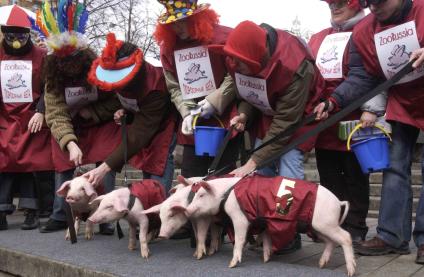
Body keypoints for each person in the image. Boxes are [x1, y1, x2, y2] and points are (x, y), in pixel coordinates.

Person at [314, 0, 424, 264]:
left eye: (380, 2)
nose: (374, 8)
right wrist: (335, 101)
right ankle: (391, 236)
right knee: (395, 166)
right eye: (369, 3)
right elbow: (364, 76)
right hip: (402, 103)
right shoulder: (364, 31)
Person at [209, 20, 326, 253]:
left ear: (258, 59)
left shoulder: (295, 66)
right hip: (267, 114)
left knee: (288, 177)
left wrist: (251, 162)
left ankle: (288, 233)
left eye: (241, 64)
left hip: (297, 115)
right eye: (234, 62)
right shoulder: (237, 57)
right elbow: (249, 92)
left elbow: (285, 124)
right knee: (261, 176)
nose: (235, 66)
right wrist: (243, 114)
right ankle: (266, 229)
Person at [32, 1, 120, 234]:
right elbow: (56, 113)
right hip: (69, 124)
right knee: (62, 161)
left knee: (104, 158)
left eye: (72, 62)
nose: (68, 68)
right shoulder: (52, 77)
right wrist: (70, 143)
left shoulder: (100, 70)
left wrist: (93, 112)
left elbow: (114, 101)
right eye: (63, 63)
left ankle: (105, 214)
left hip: (99, 123)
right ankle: (61, 214)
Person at [309, 0, 387, 242]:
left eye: (342, 2)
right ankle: (330, 225)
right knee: (329, 177)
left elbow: (376, 73)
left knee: (355, 177)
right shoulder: (319, 37)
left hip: (356, 120)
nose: (335, 6)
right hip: (325, 121)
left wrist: (373, 108)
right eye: (332, 3)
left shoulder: (369, 31)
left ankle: (354, 228)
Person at [154, 0, 240, 179]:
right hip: (194, 127)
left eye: (182, 21)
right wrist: (186, 113)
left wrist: (214, 101)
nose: (177, 27)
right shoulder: (168, 48)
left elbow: (236, 74)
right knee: (189, 181)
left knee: (221, 183)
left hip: (226, 121)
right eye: (172, 23)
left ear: (197, 17)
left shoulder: (225, 37)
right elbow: (174, 86)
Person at [84, 33, 177, 194]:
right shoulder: (124, 84)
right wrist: (125, 110)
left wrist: (105, 168)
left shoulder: (156, 86)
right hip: (144, 124)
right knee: (146, 166)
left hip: (164, 127)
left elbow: (138, 134)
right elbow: (130, 101)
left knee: (157, 166)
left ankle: (156, 207)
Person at [0, 5, 54, 230]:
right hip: (4, 119)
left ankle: (32, 211)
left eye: (21, 34)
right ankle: (2, 210)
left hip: (32, 118)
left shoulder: (41, 56)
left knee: (31, 164)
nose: (16, 39)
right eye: (10, 34)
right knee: (5, 164)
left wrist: (41, 111)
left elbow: (49, 87)